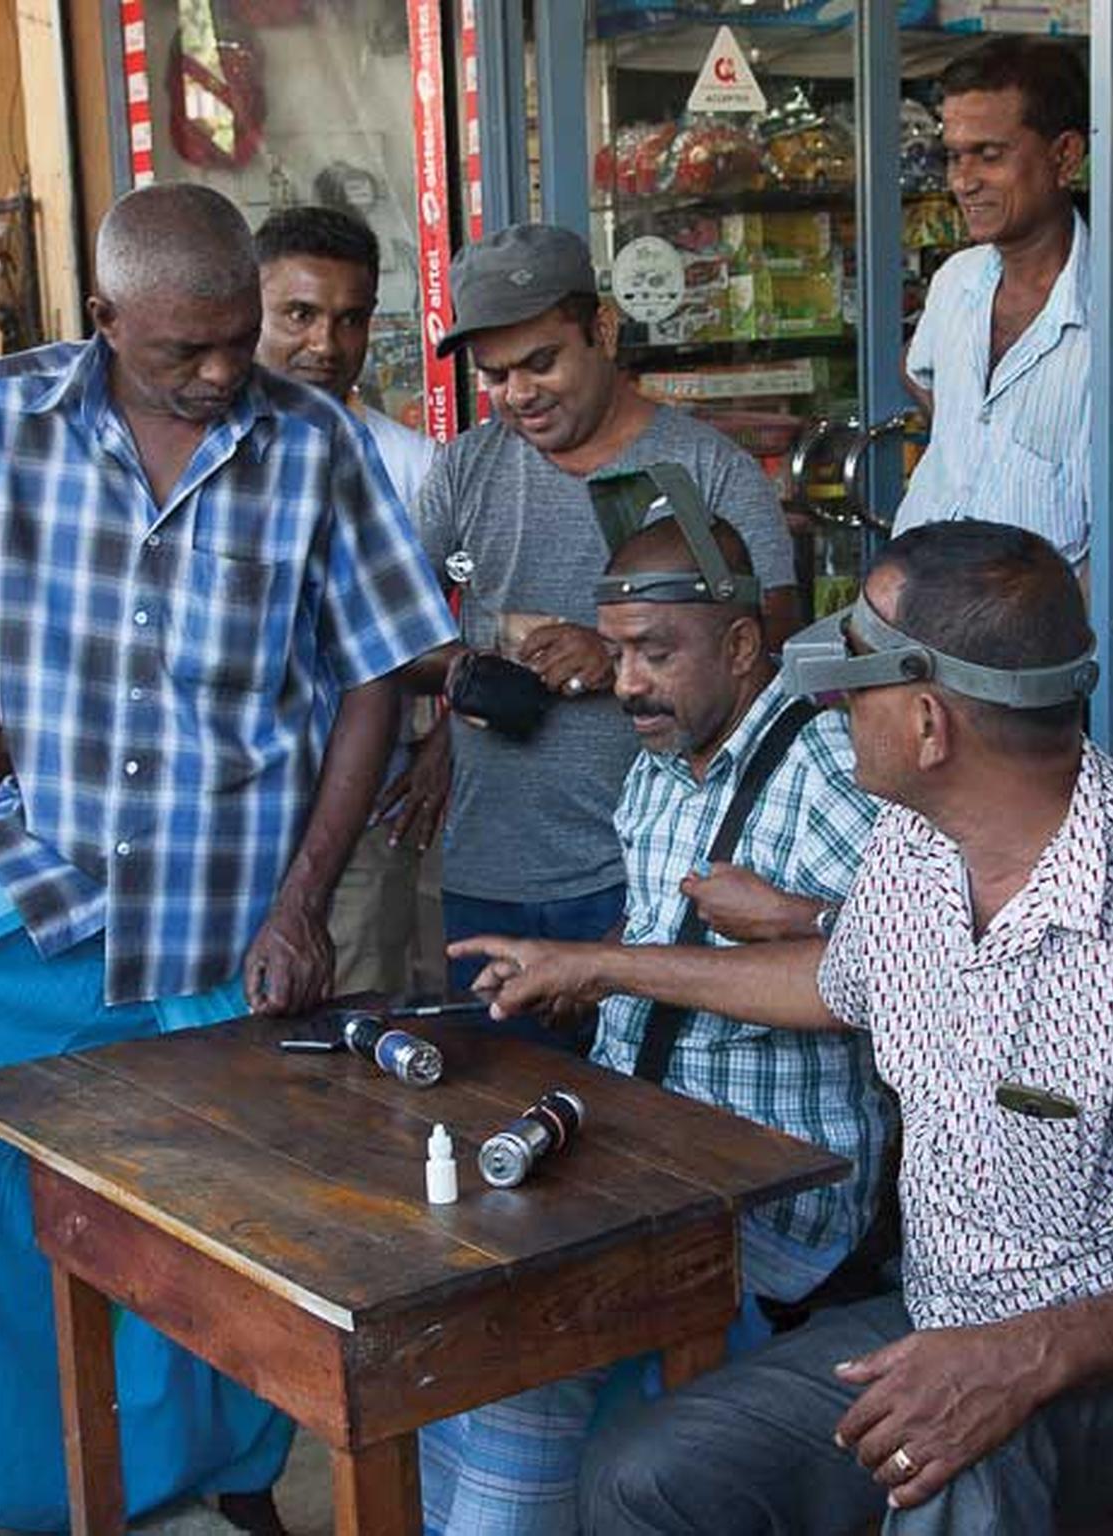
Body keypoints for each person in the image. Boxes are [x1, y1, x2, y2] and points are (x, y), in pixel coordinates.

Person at [457, 520, 1113, 1535]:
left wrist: (1026, 1355)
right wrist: (606, 967)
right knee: (646, 1475)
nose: (833, 706)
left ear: (928, 723)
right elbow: (835, 983)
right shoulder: (919, 848)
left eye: (855, 680)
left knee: (950, 1457)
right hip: (944, 1314)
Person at [0, 184, 454, 1532]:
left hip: (228, 908)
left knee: (220, 1213)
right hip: (54, 870)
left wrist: (304, 904)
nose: (219, 374)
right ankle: (1, 1458)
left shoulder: (312, 444)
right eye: (182, 351)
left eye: (233, 343)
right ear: (104, 321)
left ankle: (220, 1472)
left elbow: (375, 682)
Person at [420, 471, 894, 1534]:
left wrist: (779, 921)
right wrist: (569, 981)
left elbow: (905, 981)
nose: (625, 683)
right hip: (656, 1157)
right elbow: (654, 951)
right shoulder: (663, 765)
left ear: (738, 645)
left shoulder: (829, 770)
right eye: (617, 650)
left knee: (522, 1366)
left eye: (655, 653)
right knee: (450, 1341)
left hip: (780, 1194)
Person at [410, 222, 800, 1045]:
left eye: (542, 362)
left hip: (653, 878)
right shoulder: (464, 471)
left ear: (606, 331)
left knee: (641, 1135)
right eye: (496, 376)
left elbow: (771, 647)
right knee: (500, 1131)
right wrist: (469, 669)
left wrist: (611, 651)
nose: (519, 394)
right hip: (492, 869)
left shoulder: (706, 470)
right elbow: (393, 638)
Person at [254, 202, 445, 997]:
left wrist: (447, 747)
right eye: (298, 314)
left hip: (365, 819)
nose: (326, 345)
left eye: (349, 319)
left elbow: (450, 642)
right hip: (232, 821)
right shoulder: (210, 452)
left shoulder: (411, 465)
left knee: (348, 1037)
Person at [893, 37, 1091, 574]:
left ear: (1064, 156)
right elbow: (920, 372)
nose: (963, 181)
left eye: (990, 154)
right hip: (918, 596)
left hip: (1034, 639)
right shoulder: (956, 282)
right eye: (955, 156)